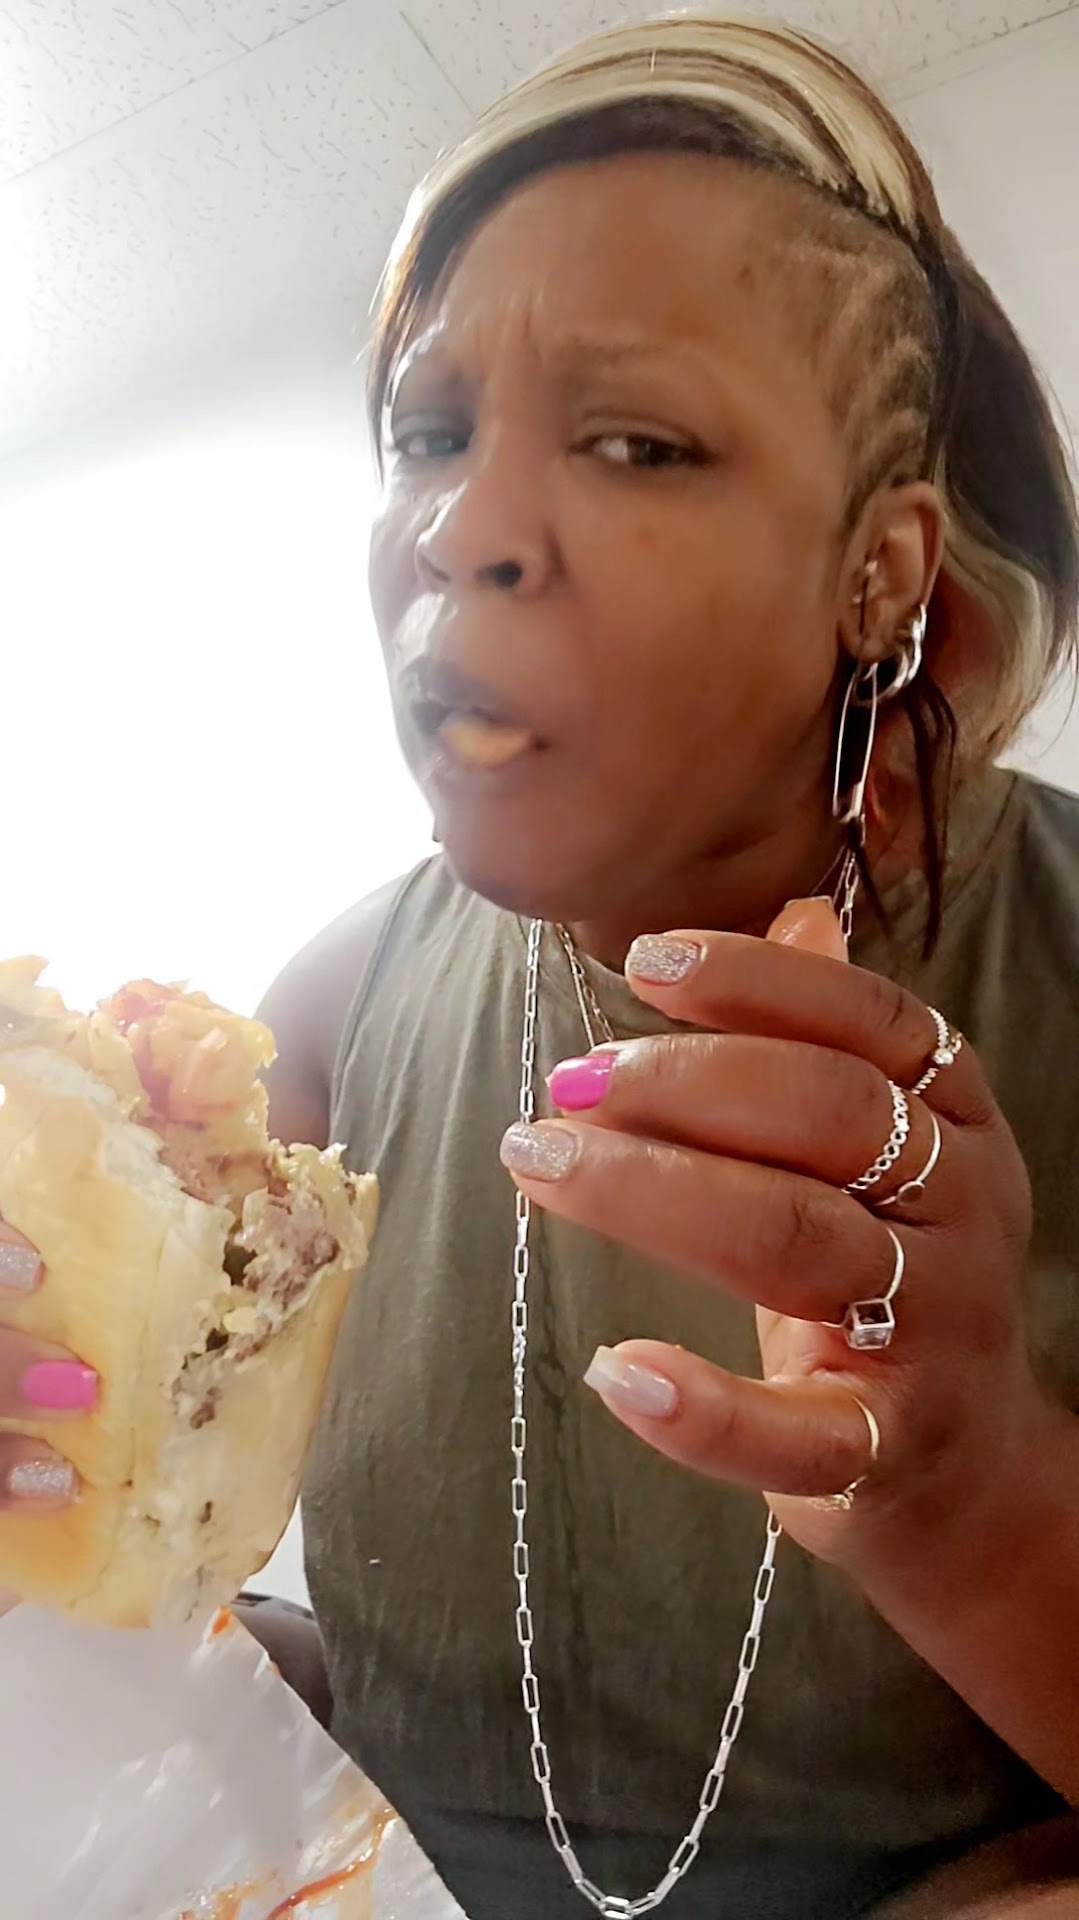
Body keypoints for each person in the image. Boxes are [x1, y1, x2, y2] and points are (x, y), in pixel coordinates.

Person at [3, 14, 1079, 1917]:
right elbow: (363, 1707)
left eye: (636, 443)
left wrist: (970, 1498)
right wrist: (79, 1560)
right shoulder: (321, 1018)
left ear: (883, 571)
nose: (463, 530)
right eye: (427, 437)